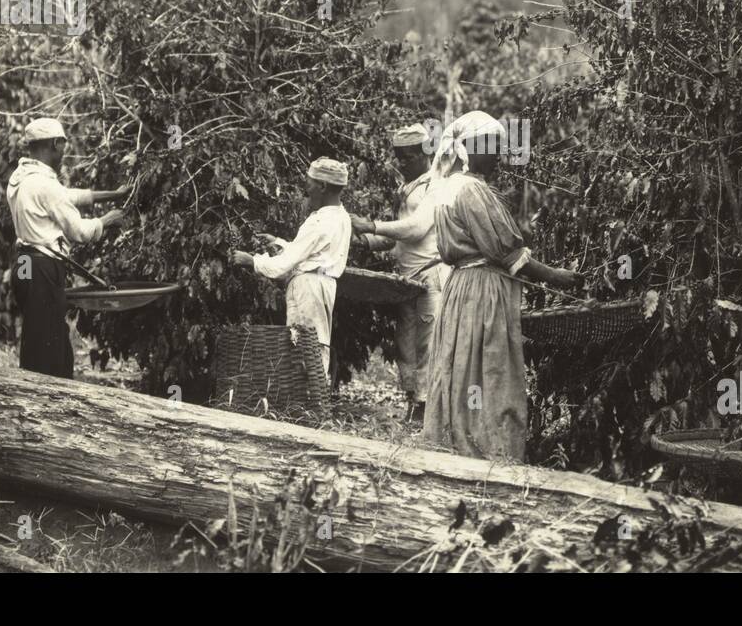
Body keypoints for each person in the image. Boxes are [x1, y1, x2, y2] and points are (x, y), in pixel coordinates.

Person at [355, 111, 579, 462]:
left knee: (462, 363)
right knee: (489, 366)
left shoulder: (447, 188)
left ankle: (459, 439)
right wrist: (556, 275)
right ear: (467, 148)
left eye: (499, 146)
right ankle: (489, 448)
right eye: (489, 146)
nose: (498, 155)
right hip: (482, 290)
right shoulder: (472, 190)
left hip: (462, 287)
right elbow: (507, 252)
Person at [6, 117, 130, 378]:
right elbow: (80, 232)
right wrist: (107, 221)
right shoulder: (45, 185)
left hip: (23, 264)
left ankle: (35, 396)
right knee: (50, 351)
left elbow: (64, 195)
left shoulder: (21, 177)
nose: (63, 153)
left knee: (38, 337)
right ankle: (46, 405)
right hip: (41, 268)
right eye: (62, 146)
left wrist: (111, 194)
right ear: (53, 144)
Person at [352, 123, 451, 422]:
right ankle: (413, 402)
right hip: (406, 279)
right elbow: (395, 238)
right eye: (399, 157)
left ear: (426, 153)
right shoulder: (405, 188)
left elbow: (416, 228)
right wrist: (364, 240)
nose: (402, 163)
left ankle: (426, 409)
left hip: (430, 275)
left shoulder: (437, 185)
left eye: (408, 157)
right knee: (406, 344)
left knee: (427, 346)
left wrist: (371, 225)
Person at [231, 157, 351, 381]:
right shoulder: (341, 217)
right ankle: (313, 397)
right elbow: (313, 252)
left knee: (304, 344)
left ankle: (308, 400)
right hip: (323, 284)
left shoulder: (319, 222)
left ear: (323, 186)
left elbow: (283, 266)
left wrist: (251, 261)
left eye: (310, 184)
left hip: (309, 288)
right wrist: (279, 242)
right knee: (316, 342)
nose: (307, 189)